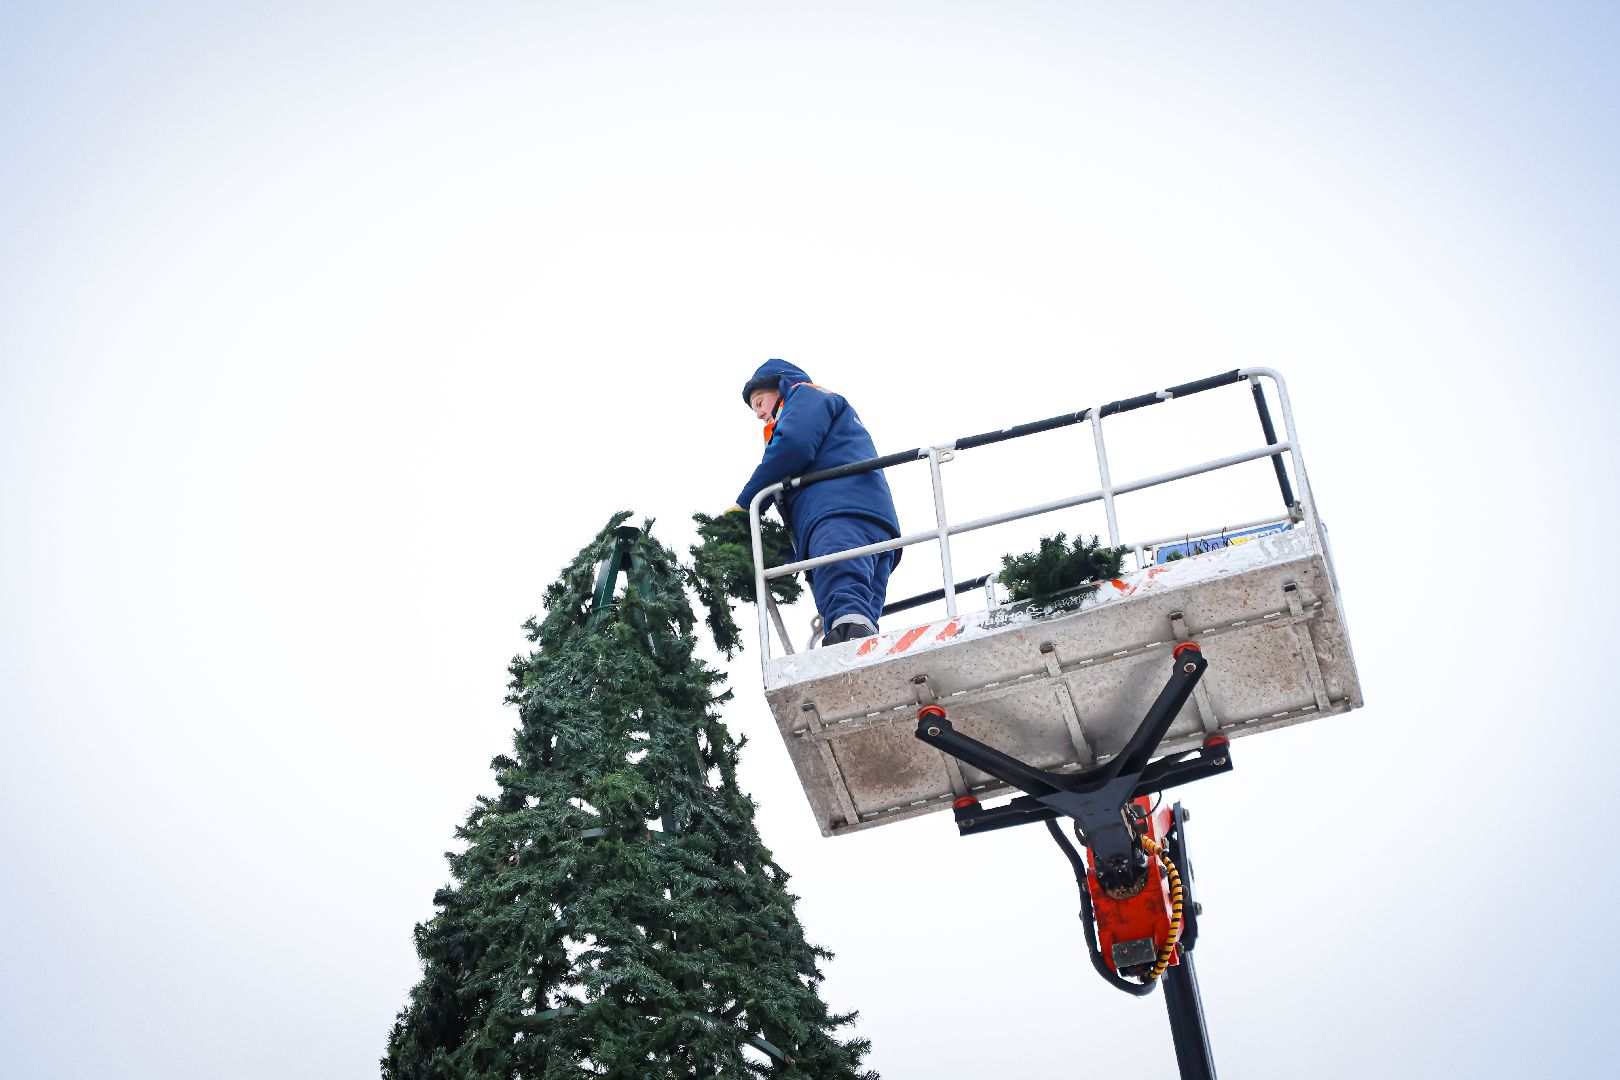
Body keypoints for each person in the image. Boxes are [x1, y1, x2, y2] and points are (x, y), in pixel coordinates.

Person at [729, 359, 901, 647]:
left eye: (759, 402)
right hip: (868, 518)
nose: (759, 413)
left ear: (780, 384)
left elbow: (792, 447)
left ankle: (846, 645)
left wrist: (745, 504)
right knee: (860, 603)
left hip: (838, 514)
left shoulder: (805, 394)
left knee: (842, 585)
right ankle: (855, 646)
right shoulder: (821, 412)